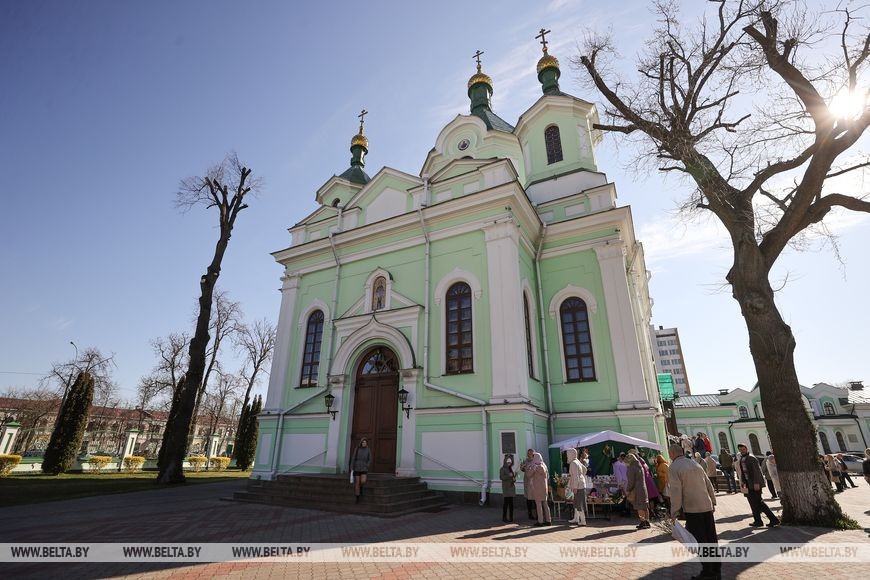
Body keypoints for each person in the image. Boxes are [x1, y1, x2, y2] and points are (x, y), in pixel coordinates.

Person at [668, 443, 720, 580]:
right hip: (706, 506)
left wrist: (674, 512)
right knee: (711, 538)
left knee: (700, 540)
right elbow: (708, 482)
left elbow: (675, 491)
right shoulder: (694, 463)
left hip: (692, 508)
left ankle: (708, 571)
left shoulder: (674, 467)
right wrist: (713, 500)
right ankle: (716, 569)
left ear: (672, 453)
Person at [737, 443, 780, 527]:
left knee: (759, 502)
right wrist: (742, 481)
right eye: (740, 450)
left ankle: (774, 520)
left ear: (746, 448)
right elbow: (743, 472)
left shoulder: (751, 458)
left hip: (755, 484)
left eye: (743, 449)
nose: (742, 451)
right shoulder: (742, 459)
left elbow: (757, 472)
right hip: (748, 484)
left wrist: (756, 483)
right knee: (752, 503)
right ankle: (758, 521)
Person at [625, 452, 650, 529]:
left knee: (639, 506)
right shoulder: (640, 466)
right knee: (645, 506)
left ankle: (643, 522)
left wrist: (628, 490)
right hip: (643, 488)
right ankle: (647, 522)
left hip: (636, 489)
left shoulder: (631, 468)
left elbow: (631, 481)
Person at [526, 452, 551, 526]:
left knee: (538, 504)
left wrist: (528, 468)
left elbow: (528, 475)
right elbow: (547, 476)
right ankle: (548, 520)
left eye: (533, 457)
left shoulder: (535, 466)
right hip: (544, 487)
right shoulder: (544, 465)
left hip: (537, 488)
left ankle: (540, 521)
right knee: (545, 504)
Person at [567, 448, 587, 526]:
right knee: (576, 503)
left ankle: (583, 521)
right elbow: (585, 470)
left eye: (568, 454)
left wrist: (575, 487)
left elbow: (575, 476)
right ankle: (576, 518)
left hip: (578, 486)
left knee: (579, 503)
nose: (567, 456)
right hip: (580, 484)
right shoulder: (577, 461)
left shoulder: (573, 463)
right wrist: (581, 475)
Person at [350, 437, 372, 503]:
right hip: (357, 467)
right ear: (361, 443)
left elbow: (370, 459)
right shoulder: (357, 449)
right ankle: (357, 497)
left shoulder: (368, 449)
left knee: (363, 481)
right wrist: (352, 467)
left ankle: (361, 487)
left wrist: (367, 465)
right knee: (357, 482)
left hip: (364, 468)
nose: (364, 443)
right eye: (363, 442)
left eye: (365, 442)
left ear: (366, 443)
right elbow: (353, 458)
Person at [519, 449, 538, 520]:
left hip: (534, 481)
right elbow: (522, 469)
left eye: (530, 453)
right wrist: (522, 467)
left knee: (536, 498)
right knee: (528, 498)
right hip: (527, 481)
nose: (529, 455)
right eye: (528, 453)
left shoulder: (536, 460)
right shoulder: (525, 460)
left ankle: (537, 514)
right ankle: (530, 514)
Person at [499, 454, 516, 523]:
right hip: (506, 488)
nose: (509, 463)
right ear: (505, 462)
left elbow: (513, 477)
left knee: (511, 504)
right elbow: (501, 477)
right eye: (508, 461)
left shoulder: (510, 468)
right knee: (506, 503)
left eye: (510, 462)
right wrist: (509, 476)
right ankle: (504, 517)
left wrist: (514, 478)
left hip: (511, 487)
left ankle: (511, 517)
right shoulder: (502, 469)